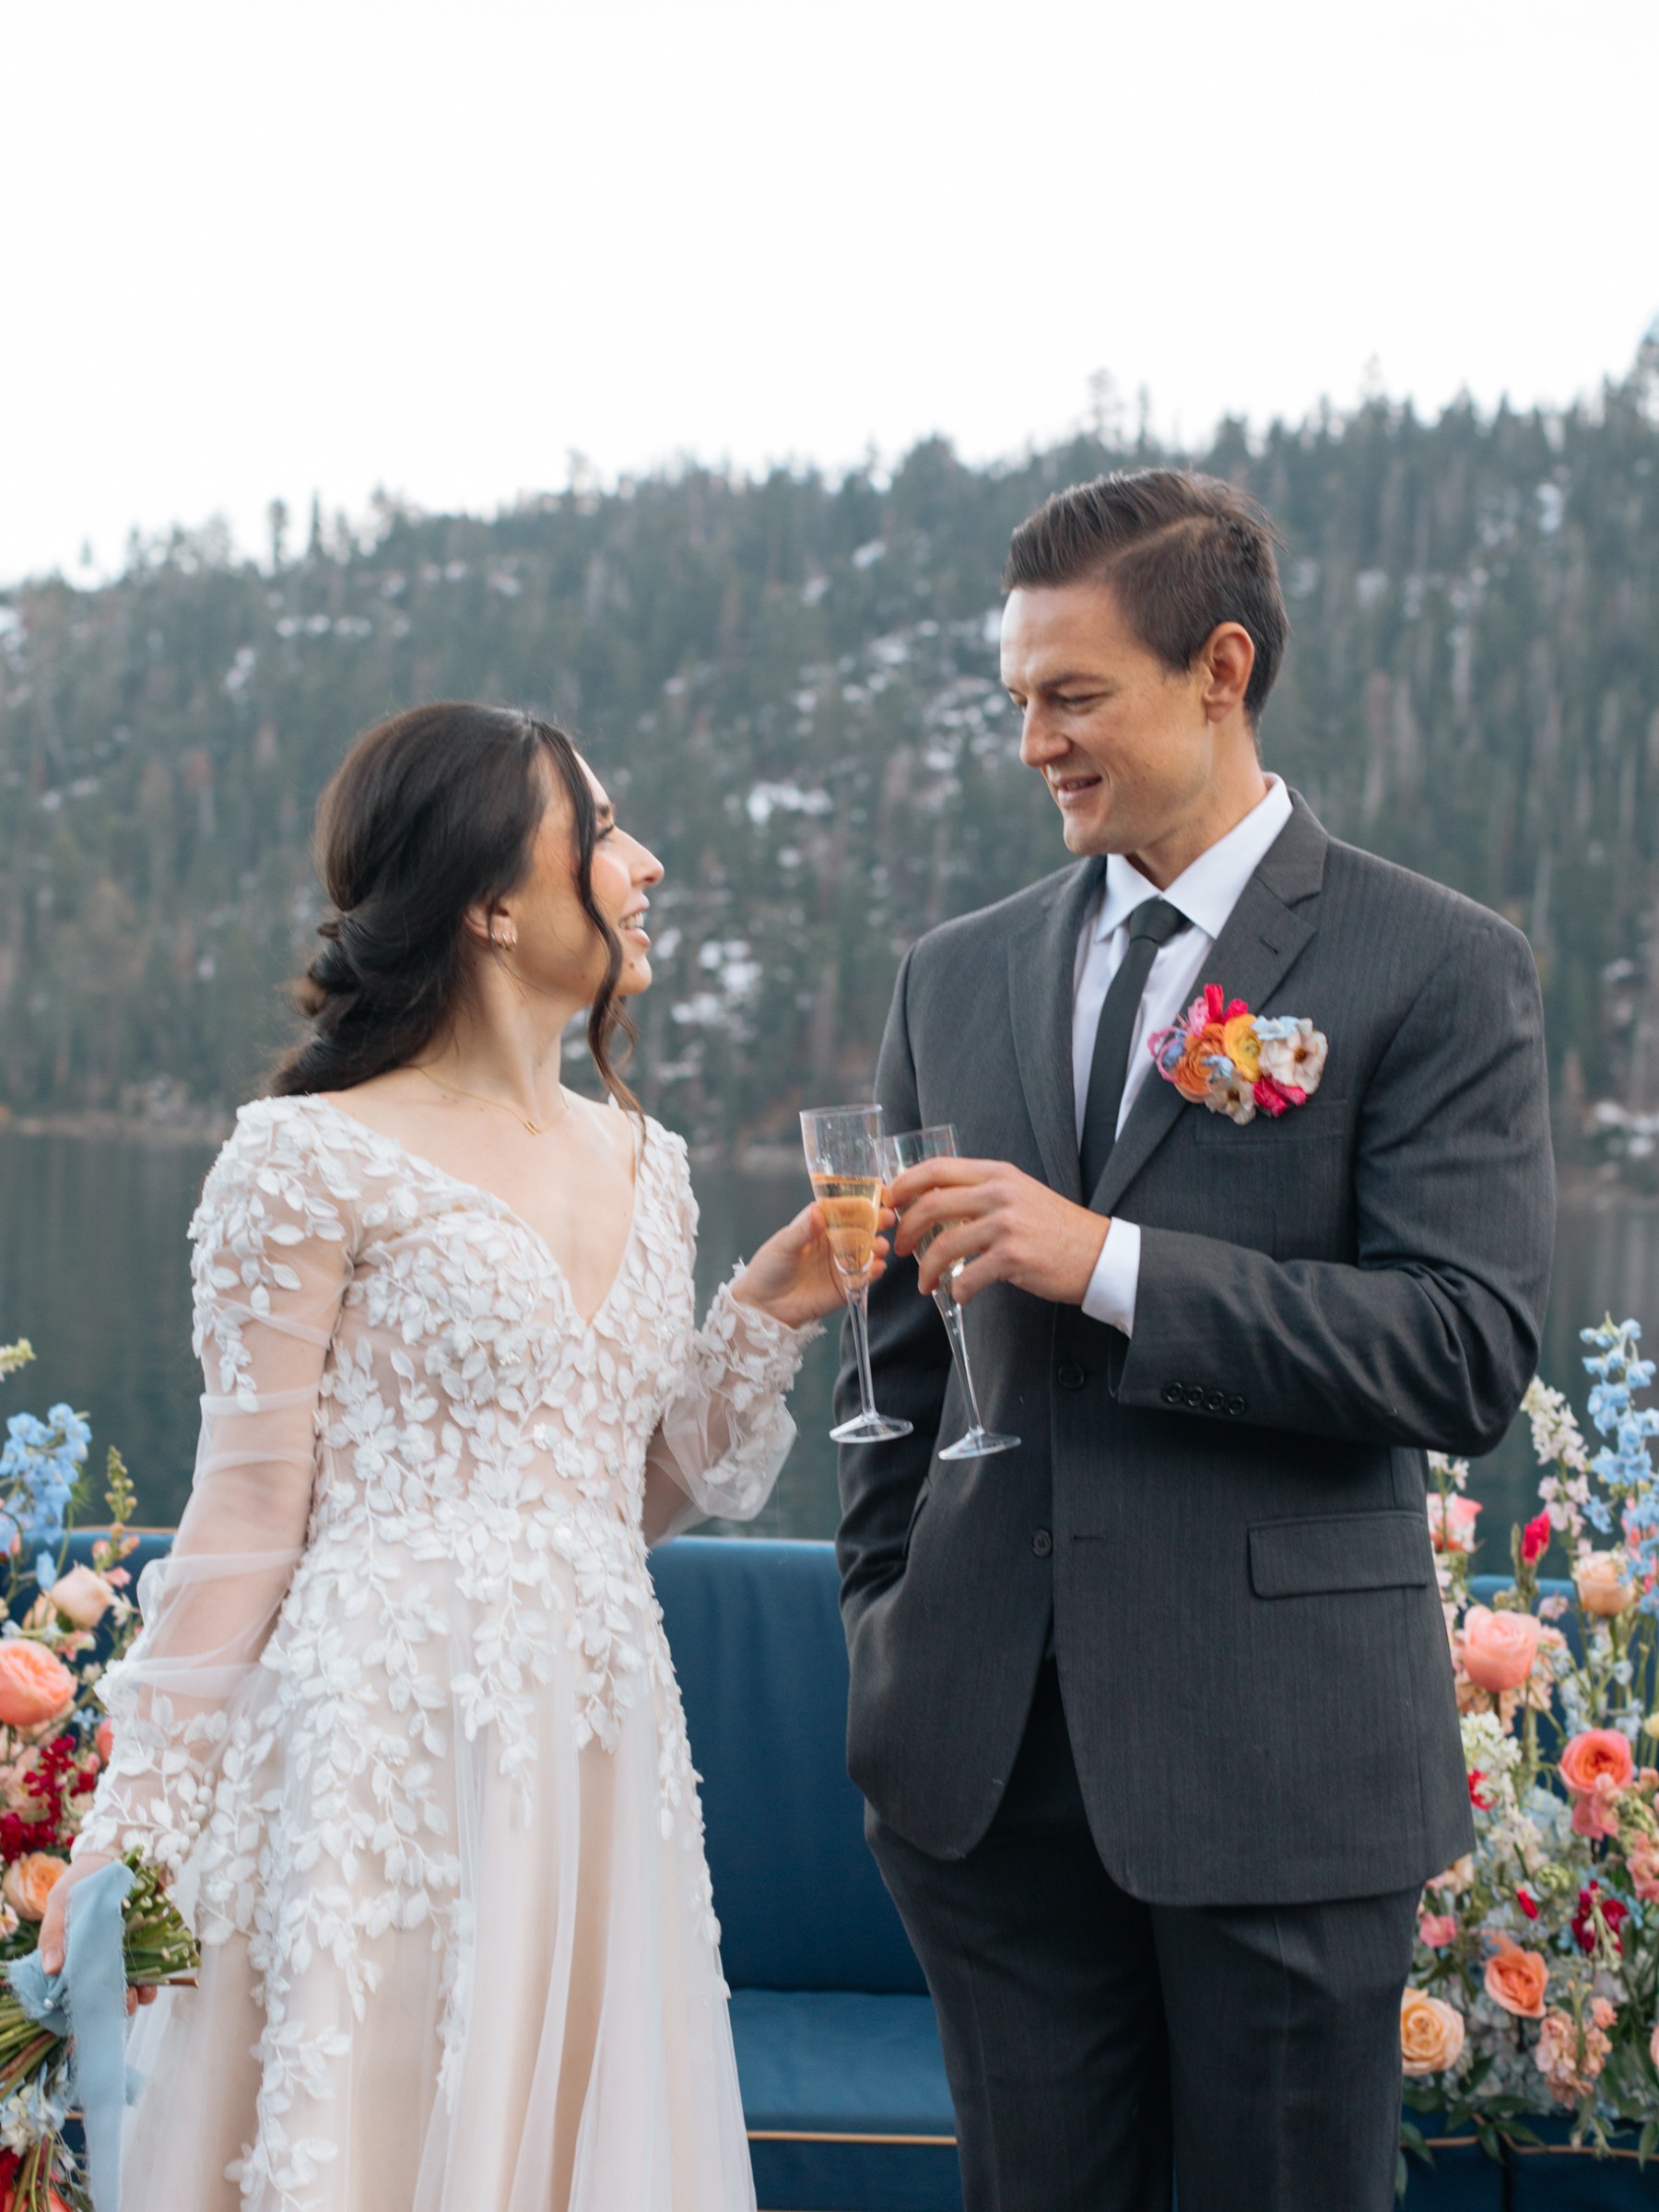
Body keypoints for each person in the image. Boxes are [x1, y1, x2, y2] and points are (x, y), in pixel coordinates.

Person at [835, 470, 1554, 2212]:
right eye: (1017, 697)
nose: (1034, 744)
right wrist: (885, 1619)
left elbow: (1465, 1356)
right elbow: (894, 1372)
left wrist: (1109, 1261)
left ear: (1219, 669)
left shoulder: (1435, 965)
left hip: (1281, 1779)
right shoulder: (956, 973)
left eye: (1074, 696)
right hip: (985, 1776)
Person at [44, 701, 870, 2212]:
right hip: (379, 1744)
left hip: (597, 1737)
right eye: (606, 833)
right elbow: (239, 1521)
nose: (649, 865)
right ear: (492, 904)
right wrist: (136, 1824)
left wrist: (763, 1316)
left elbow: (606, 1501)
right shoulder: (304, 1163)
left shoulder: (650, 1160)